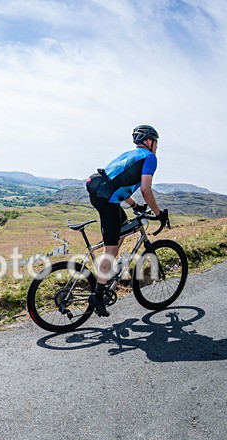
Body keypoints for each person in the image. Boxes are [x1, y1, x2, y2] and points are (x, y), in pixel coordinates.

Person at [85, 124, 169, 317]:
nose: (157, 147)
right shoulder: (149, 158)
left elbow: (115, 184)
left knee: (123, 227)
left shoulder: (129, 155)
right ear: (149, 141)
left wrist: (134, 205)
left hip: (100, 192)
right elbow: (146, 190)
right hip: (107, 201)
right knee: (111, 249)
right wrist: (158, 213)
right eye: (156, 143)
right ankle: (98, 294)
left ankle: (107, 270)